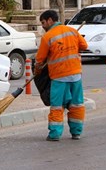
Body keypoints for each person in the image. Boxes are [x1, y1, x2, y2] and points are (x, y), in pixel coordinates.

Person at [34, 10, 88, 142]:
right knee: (76, 104)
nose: (42, 26)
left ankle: (55, 134)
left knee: (57, 106)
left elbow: (39, 60)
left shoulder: (48, 37)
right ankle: (76, 132)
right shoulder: (72, 31)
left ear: (50, 20)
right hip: (76, 75)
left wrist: (37, 72)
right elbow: (84, 46)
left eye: (43, 22)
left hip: (59, 77)